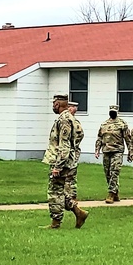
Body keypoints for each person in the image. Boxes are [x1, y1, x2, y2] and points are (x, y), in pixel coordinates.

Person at [42, 94, 88, 229]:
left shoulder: (64, 120)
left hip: (62, 161)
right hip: (66, 160)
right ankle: (79, 213)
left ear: (57, 104)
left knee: (54, 191)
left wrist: (58, 165)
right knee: (61, 190)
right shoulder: (70, 118)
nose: (53, 106)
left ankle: (56, 222)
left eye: (54, 104)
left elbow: (64, 144)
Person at [95, 104, 130, 203]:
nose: (112, 112)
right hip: (106, 151)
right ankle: (116, 193)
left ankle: (111, 193)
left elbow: (128, 139)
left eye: (114, 111)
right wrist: (97, 150)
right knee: (107, 173)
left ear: (117, 112)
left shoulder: (122, 124)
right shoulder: (104, 124)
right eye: (111, 111)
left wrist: (130, 152)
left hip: (117, 151)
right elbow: (99, 138)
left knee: (115, 171)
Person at [67, 101, 85, 201]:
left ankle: (72, 196)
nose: (74, 109)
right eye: (72, 106)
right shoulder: (66, 120)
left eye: (74, 107)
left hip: (72, 151)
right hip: (66, 151)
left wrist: (73, 145)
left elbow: (80, 135)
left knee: (71, 174)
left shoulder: (74, 122)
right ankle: (67, 195)